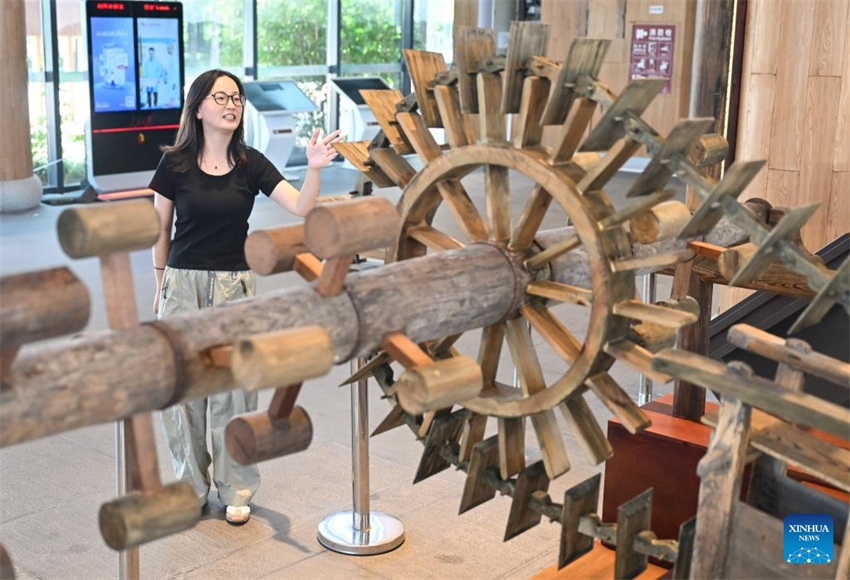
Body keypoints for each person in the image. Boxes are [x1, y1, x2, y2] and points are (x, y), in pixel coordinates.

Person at [149, 69, 342, 524]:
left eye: (236, 97)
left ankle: (236, 487)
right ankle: (190, 487)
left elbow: (301, 206)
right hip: (182, 284)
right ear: (199, 108)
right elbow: (160, 230)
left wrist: (314, 168)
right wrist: (160, 287)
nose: (231, 104)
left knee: (236, 391)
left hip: (235, 286)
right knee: (184, 393)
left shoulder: (251, 163)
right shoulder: (174, 164)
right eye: (220, 97)